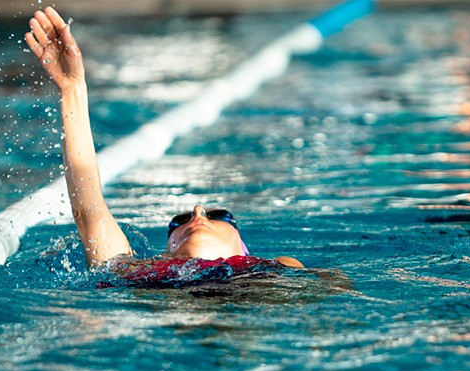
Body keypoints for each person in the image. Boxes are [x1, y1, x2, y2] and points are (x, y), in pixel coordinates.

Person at [24, 6, 303, 280]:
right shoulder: (136, 271)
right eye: (177, 224)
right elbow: (88, 209)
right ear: (166, 254)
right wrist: (72, 88)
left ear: (243, 247)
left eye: (221, 216)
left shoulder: (277, 268)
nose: (197, 213)